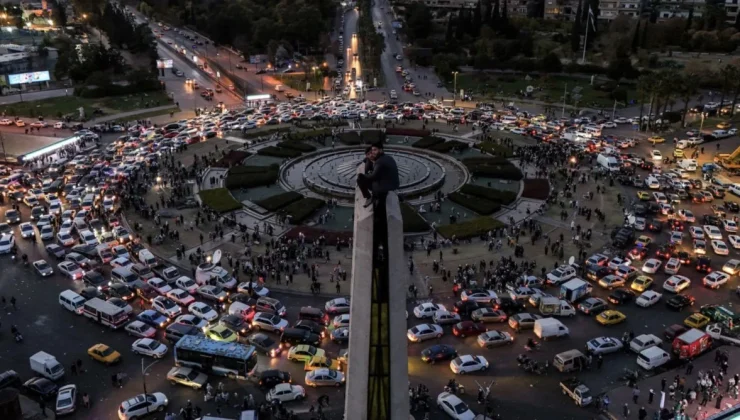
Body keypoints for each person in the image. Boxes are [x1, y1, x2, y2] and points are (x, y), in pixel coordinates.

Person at [356, 142, 399, 208]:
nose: (373, 152)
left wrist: (363, 175)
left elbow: (373, 176)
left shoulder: (379, 161)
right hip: (392, 185)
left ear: (381, 150)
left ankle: (369, 197)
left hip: (384, 188)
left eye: (375, 150)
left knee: (360, 178)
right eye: (372, 150)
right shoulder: (388, 157)